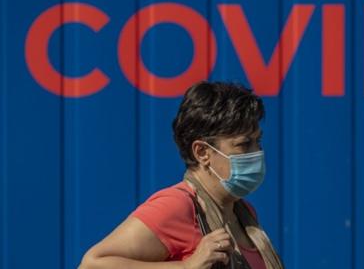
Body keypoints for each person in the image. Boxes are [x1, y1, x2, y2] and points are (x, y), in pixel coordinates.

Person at [79, 81, 283, 269]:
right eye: (244, 144)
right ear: (202, 152)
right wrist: (185, 267)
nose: (257, 153)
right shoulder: (178, 205)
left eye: (258, 142)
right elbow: (92, 264)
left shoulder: (244, 212)